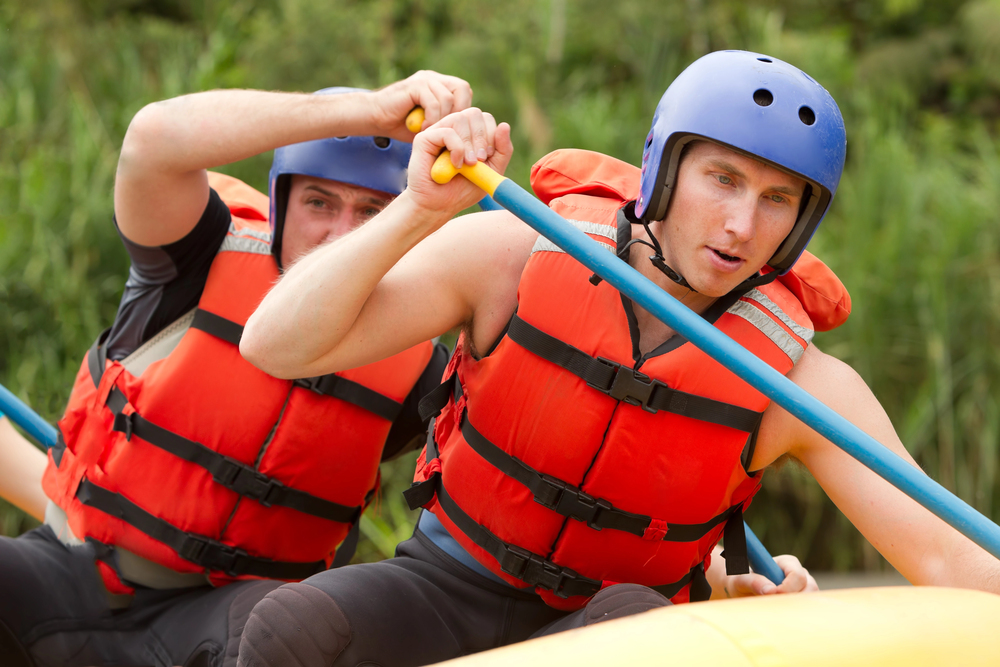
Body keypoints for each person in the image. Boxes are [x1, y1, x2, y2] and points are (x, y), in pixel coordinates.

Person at [231, 50, 956, 667]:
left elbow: (950, 562)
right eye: (723, 179)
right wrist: (419, 209)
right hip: (444, 585)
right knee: (292, 627)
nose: (741, 224)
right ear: (662, 168)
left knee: (636, 627)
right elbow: (276, 344)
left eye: (778, 199)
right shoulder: (511, 256)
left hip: (609, 625)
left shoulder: (799, 381)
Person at [0, 71, 474, 667]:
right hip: (72, 572)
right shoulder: (190, 260)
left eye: (372, 212)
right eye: (318, 203)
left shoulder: (420, 365)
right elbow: (152, 138)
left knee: (284, 627)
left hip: (229, 620)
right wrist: (369, 111)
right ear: (280, 204)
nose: (337, 234)